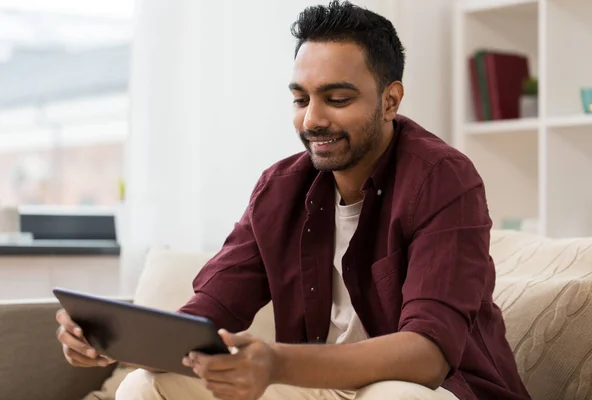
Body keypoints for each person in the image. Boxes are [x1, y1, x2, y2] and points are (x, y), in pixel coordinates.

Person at [56, 1, 532, 399]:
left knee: (398, 396)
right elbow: (205, 317)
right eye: (301, 99)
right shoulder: (279, 188)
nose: (312, 120)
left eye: (337, 99)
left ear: (390, 100)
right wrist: (113, 340)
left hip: (436, 391)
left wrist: (277, 361)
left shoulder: (444, 179)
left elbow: (427, 357)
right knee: (144, 386)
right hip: (315, 387)